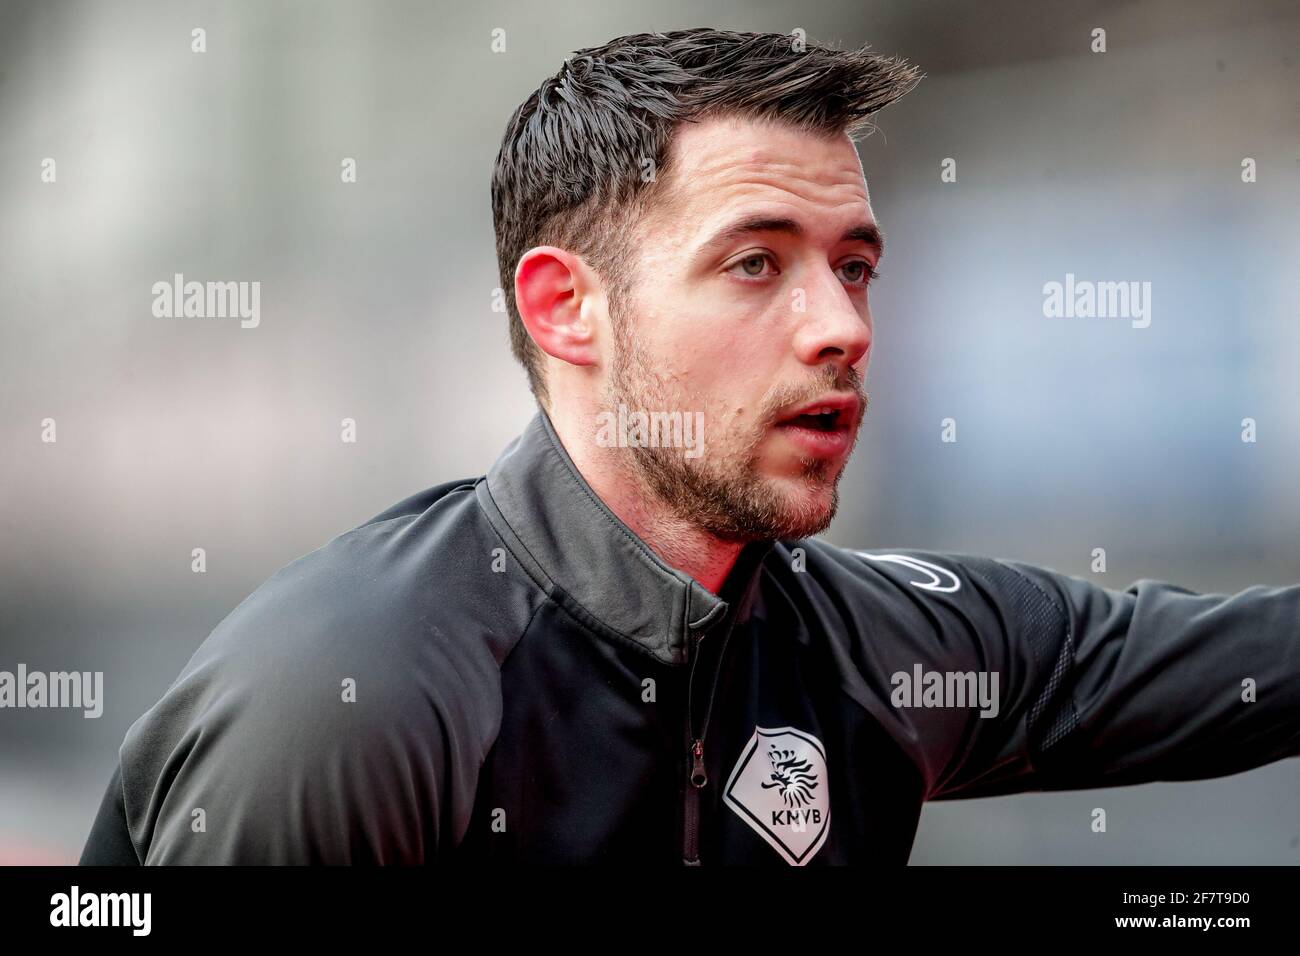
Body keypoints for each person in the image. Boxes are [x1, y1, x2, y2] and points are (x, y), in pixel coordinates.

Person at [81, 28, 1300, 866]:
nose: (841, 326)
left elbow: (1247, 665)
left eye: (856, 266)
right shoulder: (358, 694)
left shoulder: (882, 651)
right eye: (755, 262)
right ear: (567, 307)